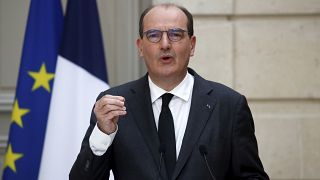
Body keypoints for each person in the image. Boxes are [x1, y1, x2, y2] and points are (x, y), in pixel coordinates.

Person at [70, 3, 269, 180]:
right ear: (140, 47)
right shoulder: (115, 105)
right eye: (154, 35)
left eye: (175, 34)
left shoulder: (229, 105)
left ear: (192, 45)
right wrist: (103, 133)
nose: (165, 44)